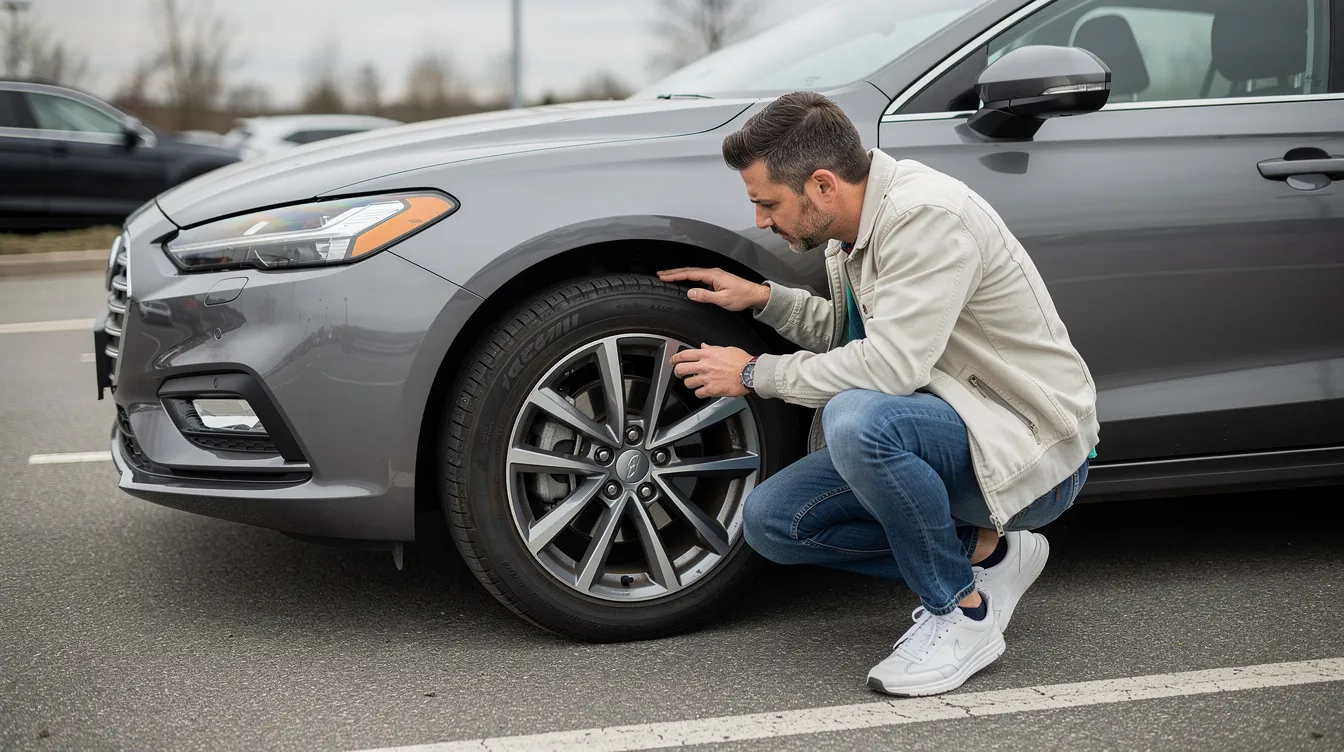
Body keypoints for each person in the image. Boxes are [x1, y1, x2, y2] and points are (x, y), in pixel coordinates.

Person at [658, 91, 1098, 697]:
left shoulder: (925, 218)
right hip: (948, 427)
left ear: (821, 185)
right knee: (772, 522)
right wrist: (765, 300)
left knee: (859, 419)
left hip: (1025, 449)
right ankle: (989, 554)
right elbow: (854, 335)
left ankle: (960, 612)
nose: (761, 220)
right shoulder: (851, 226)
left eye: (767, 203)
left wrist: (756, 373)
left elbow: (888, 367)